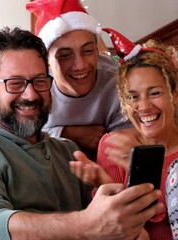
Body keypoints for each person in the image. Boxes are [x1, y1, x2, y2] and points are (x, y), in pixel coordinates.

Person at [0, 26, 164, 240]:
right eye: (15, 83)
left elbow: (103, 224)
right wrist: (86, 225)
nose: (30, 94)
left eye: (39, 81)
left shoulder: (68, 152)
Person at [70, 28, 178, 239]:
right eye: (133, 97)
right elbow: (118, 226)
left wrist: (141, 169)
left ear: (175, 93)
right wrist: (102, 180)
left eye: (154, 93)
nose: (143, 107)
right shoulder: (113, 145)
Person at [26, 0, 131, 159]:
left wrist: (104, 142)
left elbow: (125, 148)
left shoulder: (120, 83)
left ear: (97, 50)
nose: (80, 65)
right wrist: (66, 133)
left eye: (88, 51)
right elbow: (20, 136)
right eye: (65, 55)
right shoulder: (34, 87)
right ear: (47, 60)